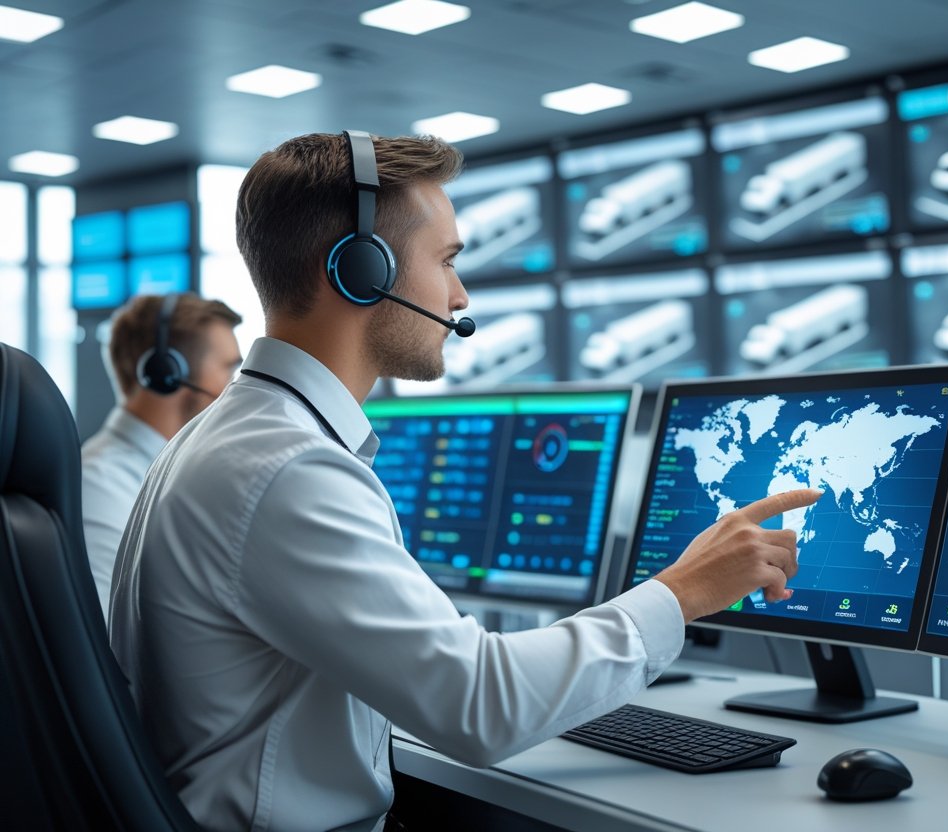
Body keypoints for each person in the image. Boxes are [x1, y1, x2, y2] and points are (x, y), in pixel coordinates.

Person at [109, 131, 820, 832]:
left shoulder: (235, 435)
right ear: (362, 269)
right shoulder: (287, 468)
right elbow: (481, 707)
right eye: (446, 261)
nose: (459, 293)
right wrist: (687, 589)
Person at [81, 292, 241, 618]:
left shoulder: (184, 474)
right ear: (167, 374)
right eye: (229, 371)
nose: (237, 390)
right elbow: (105, 644)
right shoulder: (98, 487)